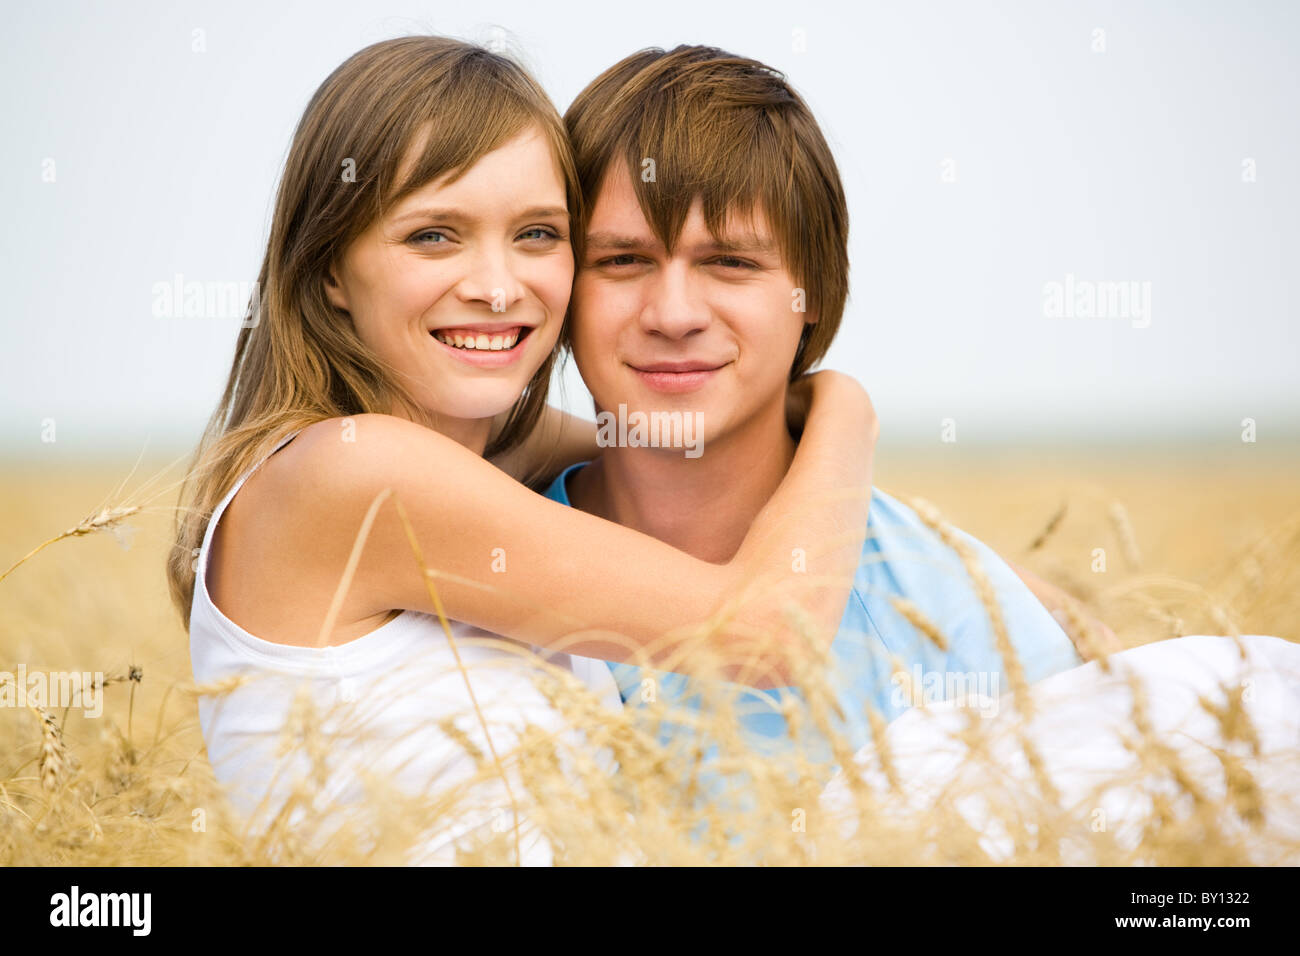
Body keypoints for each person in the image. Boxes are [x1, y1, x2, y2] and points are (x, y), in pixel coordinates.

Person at [169, 36, 878, 864]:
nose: (499, 286)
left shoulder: (463, 459)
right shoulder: (352, 472)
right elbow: (769, 635)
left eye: (538, 234)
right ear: (331, 268)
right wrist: (841, 402)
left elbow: (670, 452)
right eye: (435, 236)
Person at [544, 46, 1105, 790]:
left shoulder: (961, 610)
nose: (673, 314)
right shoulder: (466, 567)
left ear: (812, 294)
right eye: (621, 260)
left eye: (732, 263)